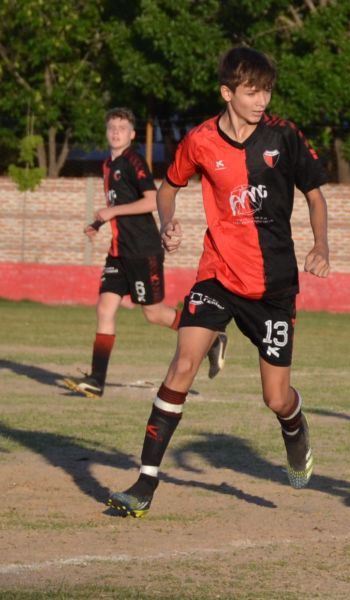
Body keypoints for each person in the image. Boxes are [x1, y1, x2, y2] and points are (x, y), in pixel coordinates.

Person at [107, 47, 330, 517]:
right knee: (182, 366)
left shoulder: (284, 135)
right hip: (217, 274)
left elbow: (314, 194)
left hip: (273, 286)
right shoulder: (200, 140)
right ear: (227, 92)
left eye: (267, 90)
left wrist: (321, 245)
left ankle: (294, 424)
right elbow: (169, 186)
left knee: (275, 396)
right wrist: (168, 222)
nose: (261, 99)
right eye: (252, 91)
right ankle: (145, 484)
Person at [63, 108, 227, 399]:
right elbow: (120, 204)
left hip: (142, 250)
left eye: (122, 128)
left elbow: (152, 200)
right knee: (104, 309)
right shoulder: (107, 165)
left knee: (153, 314)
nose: (116, 132)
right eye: (112, 127)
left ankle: (210, 338)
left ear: (132, 134)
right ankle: (96, 380)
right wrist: (100, 222)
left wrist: (111, 212)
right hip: (118, 253)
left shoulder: (133, 161)